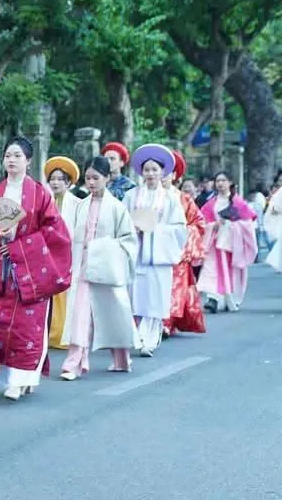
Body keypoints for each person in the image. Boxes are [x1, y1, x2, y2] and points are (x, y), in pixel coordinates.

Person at [0, 136, 73, 401]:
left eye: (17, 155)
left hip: (30, 271)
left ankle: (20, 380)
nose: (11, 160)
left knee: (26, 327)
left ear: (28, 161)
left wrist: (19, 246)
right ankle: (14, 378)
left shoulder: (40, 194)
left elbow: (55, 232)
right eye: (8, 155)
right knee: (1, 326)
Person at [58, 157, 139, 379]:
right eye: (88, 178)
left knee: (113, 314)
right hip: (83, 268)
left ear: (107, 178)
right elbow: (70, 236)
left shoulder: (117, 208)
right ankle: (74, 363)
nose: (91, 183)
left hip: (107, 268)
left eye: (96, 178)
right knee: (79, 314)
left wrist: (102, 248)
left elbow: (128, 240)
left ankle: (121, 359)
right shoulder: (80, 206)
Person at [123, 144, 188, 357]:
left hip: (158, 256)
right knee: (137, 296)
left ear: (162, 172)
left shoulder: (170, 199)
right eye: (147, 169)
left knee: (155, 297)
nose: (150, 174)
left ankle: (148, 339)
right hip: (137, 254)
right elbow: (122, 221)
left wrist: (155, 230)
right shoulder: (131, 196)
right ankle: (138, 335)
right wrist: (133, 229)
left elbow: (179, 229)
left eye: (154, 169)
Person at [199, 170, 258, 313]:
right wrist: (213, 225)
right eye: (218, 181)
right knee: (210, 269)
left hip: (232, 245)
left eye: (223, 180)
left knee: (229, 272)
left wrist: (232, 226)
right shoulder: (210, 204)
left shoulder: (238, 202)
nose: (220, 184)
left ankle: (228, 299)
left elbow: (248, 222)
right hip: (214, 243)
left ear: (230, 182)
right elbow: (201, 222)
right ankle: (212, 299)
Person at [162, 151, 207, 337]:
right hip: (152, 250)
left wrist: (182, 234)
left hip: (177, 251)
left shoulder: (183, 199)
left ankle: (166, 323)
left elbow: (198, 223)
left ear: (174, 175)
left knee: (175, 289)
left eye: (166, 171)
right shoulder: (144, 197)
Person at [43, 156, 82, 352]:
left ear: (68, 183)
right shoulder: (45, 202)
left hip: (68, 255)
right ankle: (49, 332)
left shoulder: (77, 205)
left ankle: (64, 334)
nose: (55, 182)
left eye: (60, 179)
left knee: (66, 294)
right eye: (52, 179)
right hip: (47, 255)